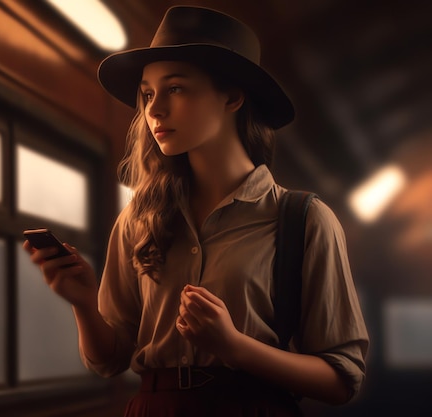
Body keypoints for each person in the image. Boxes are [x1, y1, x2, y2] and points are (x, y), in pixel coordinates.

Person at [24, 5, 368, 416]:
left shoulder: (303, 220)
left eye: (176, 89)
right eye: (148, 94)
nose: (154, 110)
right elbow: (109, 360)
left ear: (233, 97)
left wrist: (235, 347)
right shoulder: (139, 217)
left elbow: (342, 379)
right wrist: (82, 301)